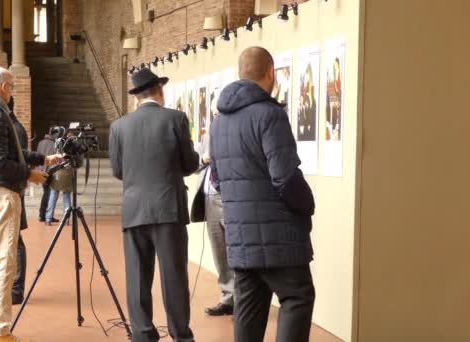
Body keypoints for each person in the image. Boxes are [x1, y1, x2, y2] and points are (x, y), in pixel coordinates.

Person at [210, 47, 316, 342]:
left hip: (240, 236)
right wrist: (307, 205)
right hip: (279, 236)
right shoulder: (271, 115)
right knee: (297, 297)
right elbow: (284, 177)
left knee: (249, 307)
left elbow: (217, 180)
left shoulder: (219, 123)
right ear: (271, 72)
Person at [0, 66, 62, 342]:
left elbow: (7, 153)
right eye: (12, 86)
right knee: (4, 263)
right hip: (0, 195)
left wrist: (42, 159)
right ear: (3, 87)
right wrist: (31, 175)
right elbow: (0, 163)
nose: (12, 92)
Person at [109, 68, 199, 342]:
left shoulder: (119, 126)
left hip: (134, 209)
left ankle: (142, 334)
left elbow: (117, 169)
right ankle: (181, 335)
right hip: (168, 209)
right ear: (160, 90)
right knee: (173, 276)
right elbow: (189, 164)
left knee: (137, 277)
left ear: (137, 96)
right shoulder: (176, 119)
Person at [190, 94, 234, 317]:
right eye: (214, 113)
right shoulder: (209, 134)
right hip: (208, 199)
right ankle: (228, 298)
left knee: (236, 252)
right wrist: (204, 159)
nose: (216, 116)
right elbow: (195, 164)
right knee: (220, 253)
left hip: (228, 199)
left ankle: (243, 300)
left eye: (220, 112)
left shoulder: (236, 133)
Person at [7, 97, 29, 305]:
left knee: (16, 242)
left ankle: (16, 288)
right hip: (8, 191)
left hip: (15, 191)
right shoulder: (8, 126)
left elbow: (20, 161)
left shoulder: (16, 129)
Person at [36, 127, 59, 223]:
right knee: (48, 193)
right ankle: (45, 215)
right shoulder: (54, 144)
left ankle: (43, 214)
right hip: (48, 171)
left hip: (40, 170)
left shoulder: (40, 142)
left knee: (46, 193)